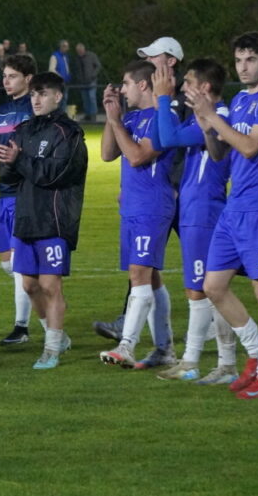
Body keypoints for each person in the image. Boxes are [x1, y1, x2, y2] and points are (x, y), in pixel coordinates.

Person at [186, 31, 258, 399]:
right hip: (236, 206)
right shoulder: (238, 100)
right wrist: (206, 124)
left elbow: (249, 147)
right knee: (213, 286)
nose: (243, 67)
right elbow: (220, 154)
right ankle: (255, 353)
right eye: (238, 60)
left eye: (250, 59)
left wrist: (212, 118)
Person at [151, 60, 239, 385]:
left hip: (205, 212)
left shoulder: (220, 116)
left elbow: (166, 138)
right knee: (201, 290)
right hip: (193, 211)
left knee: (204, 290)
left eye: (188, 82)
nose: (182, 87)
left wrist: (162, 97)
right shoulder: (206, 117)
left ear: (204, 87)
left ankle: (202, 363)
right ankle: (212, 363)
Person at [93, 36, 185, 343]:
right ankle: (164, 347)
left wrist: (117, 123)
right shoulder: (132, 117)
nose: (121, 89)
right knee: (150, 276)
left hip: (158, 203)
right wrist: (112, 118)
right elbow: (107, 154)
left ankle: (127, 345)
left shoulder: (168, 112)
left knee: (143, 275)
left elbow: (137, 156)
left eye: (126, 84)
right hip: (134, 206)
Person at [0, 71, 87, 369]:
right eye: (33, 94)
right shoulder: (24, 130)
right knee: (29, 286)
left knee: (50, 284)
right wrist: (4, 160)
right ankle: (55, 336)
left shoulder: (69, 133)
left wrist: (18, 160)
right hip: (26, 216)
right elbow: (7, 174)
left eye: (42, 93)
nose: (35, 99)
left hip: (55, 218)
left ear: (57, 96)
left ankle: (51, 349)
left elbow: (54, 174)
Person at [0, 54, 43, 345]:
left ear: (28, 78)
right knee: (8, 264)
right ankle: (42, 310)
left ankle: (22, 327)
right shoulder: (1, 112)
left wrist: (1, 150)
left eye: (12, 76)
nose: (6, 81)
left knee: (18, 264)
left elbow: (36, 148)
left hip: (25, 192)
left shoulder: (35, 109)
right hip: (3, 192)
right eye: (4, 76)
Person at [71, 42, 101, 122]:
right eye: (78, 51)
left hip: (91, 81)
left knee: (92, 98)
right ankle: (88, 115)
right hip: (82, 83)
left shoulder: (91, 55)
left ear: (84, 49)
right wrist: (78, 78)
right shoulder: (77, 58)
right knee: (85, 99)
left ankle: (93, 116)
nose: (79, 52)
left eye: (80, 50)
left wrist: (93, 75)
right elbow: (76, 70)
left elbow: (98, 66)